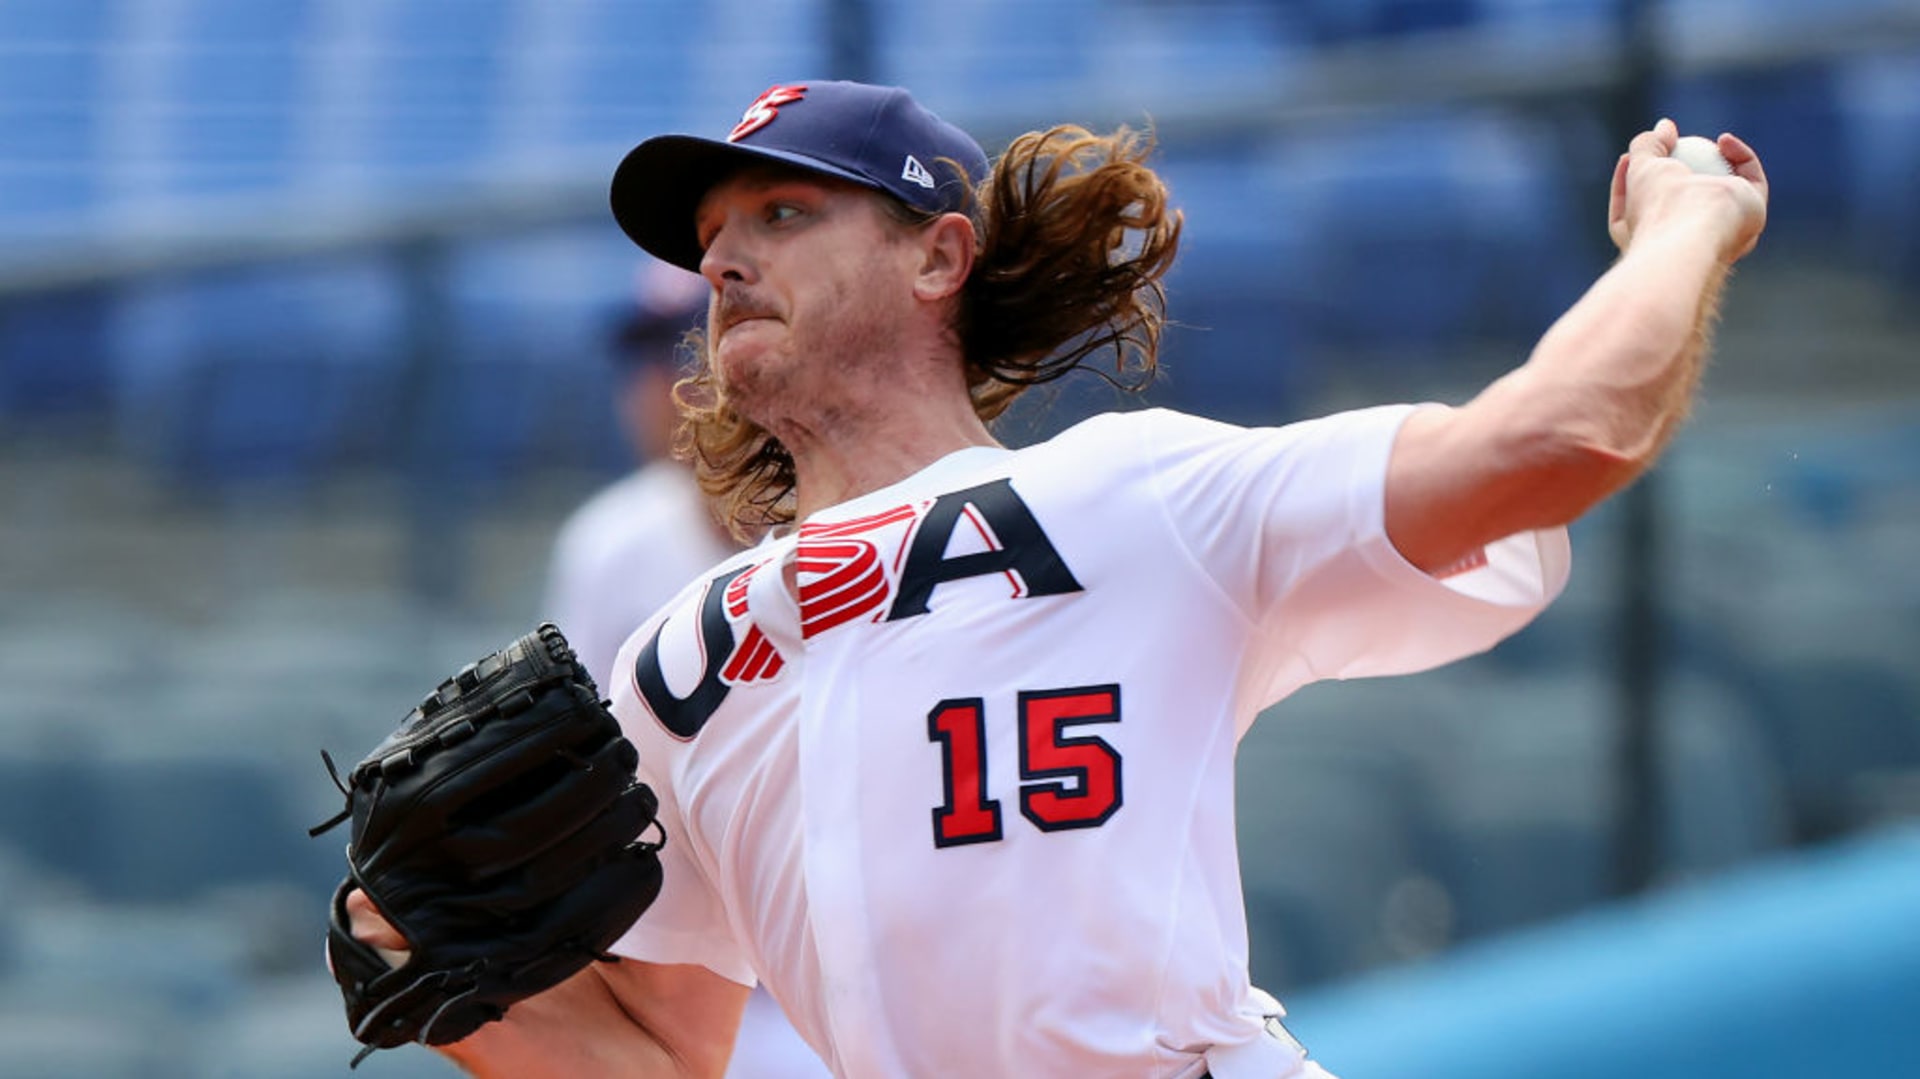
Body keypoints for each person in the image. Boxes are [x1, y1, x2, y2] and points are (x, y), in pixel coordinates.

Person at [348, 80, 1768, 1077]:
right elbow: (663, 1059)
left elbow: (1559, 435)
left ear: (937, 254)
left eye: (782, 213)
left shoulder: (1132, 496)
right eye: (711, 239)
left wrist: (1684, 229)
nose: (722, 259)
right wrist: (451, 988)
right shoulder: (681, 656)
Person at [541, 260, 830, 1079]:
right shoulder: (608, 544)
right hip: (681, 981)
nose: (663, 386)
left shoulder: (861, 522)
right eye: (647, 359)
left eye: (687, 355)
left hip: (850, 981)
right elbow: (583, 776)